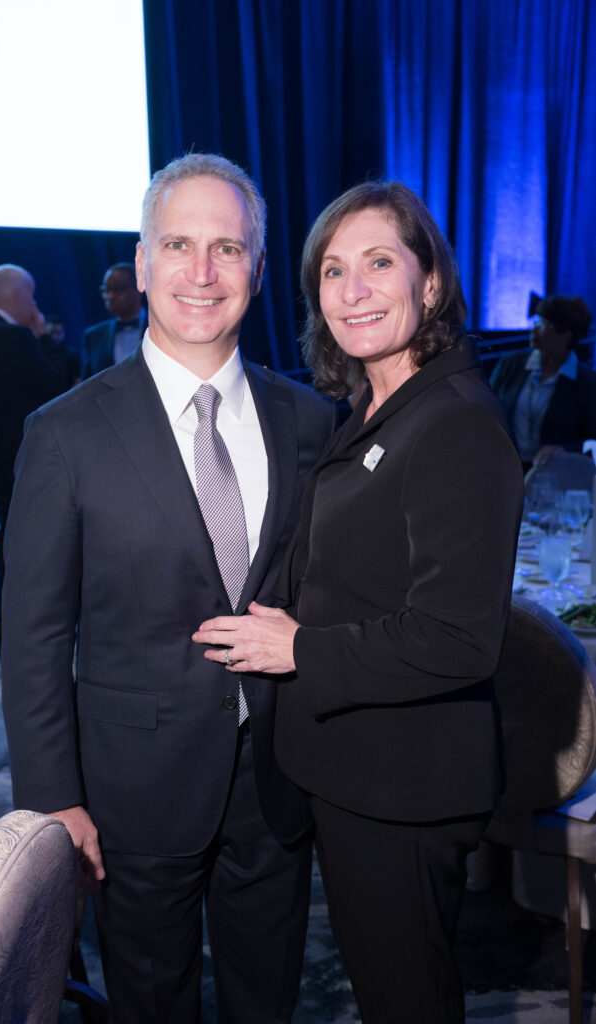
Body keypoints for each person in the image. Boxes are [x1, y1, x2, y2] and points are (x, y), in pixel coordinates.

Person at [1, 153, 334, 1023]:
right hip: (128, 793)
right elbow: (33, 635)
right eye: (178, 244)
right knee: (152, 1002)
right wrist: (53, 799)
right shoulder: (64, 434)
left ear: (257, 273)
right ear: (142, 263)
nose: (201, 271)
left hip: (275, 782)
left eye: (227, 249)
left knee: (269, 997)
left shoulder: (307, 420)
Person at [193, 181, 524, 1023]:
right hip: (357, 775)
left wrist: (299, 649)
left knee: (406, 1001)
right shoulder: (375, 407)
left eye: (379, 262)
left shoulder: (453, 424)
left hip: (405, 787)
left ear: (431, 283)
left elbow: (456, 638)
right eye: (333, 271)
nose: (353, 289)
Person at [0, 264, 67, 644]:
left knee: (11, 543)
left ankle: (13, 625)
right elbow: (55, 383)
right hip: (13, 460)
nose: (36, 304)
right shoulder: (10, 336)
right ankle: (17, 627)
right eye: (32, 295)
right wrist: (43, 337)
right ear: (18, 296)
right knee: (16, 546)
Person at [490, 294, 596, 471]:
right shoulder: (511, 364)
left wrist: (565, 449)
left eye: (543, 324)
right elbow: (485, 407)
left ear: (565, 335)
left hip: (555, 476)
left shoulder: (586, 382)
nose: (534, 329)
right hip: (502, 468)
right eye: (536, 321)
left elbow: (591, 439)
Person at [81, 262, 148, 378]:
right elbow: (87, 387)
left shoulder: (164, 328)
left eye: (117, 289)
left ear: (139, 288)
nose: (110, 296)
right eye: (106, 290)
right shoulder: (93, 336)